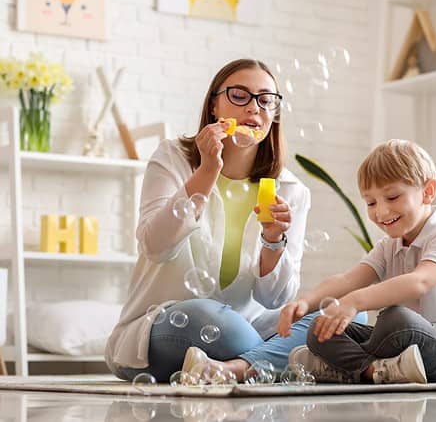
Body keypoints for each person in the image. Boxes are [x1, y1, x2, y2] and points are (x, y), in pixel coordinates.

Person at [105, 59, 320, 382]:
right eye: (239, 95)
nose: (254, 108)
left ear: (274, 113)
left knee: (342, 312)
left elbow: (274, 300)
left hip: (247, 328)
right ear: (214, 106)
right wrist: (207, 171)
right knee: (211, 317)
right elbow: (155, 245)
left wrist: (273, 241)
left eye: (266, 99)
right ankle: (274, 362)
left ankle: (238, 368)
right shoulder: (173, 158)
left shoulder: (290, 189)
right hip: (169, 326)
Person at [277, 139, 436, 384]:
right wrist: (304, 302)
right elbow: (349, 279)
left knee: (395, 319)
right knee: (320, 328)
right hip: (403, 347)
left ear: (428, 192)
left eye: (392, 197)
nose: (381, 212)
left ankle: (347, 367)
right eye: (371, 203)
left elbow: (419, 282)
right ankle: (374, 371)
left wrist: (355, 301)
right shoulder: (389, 245)